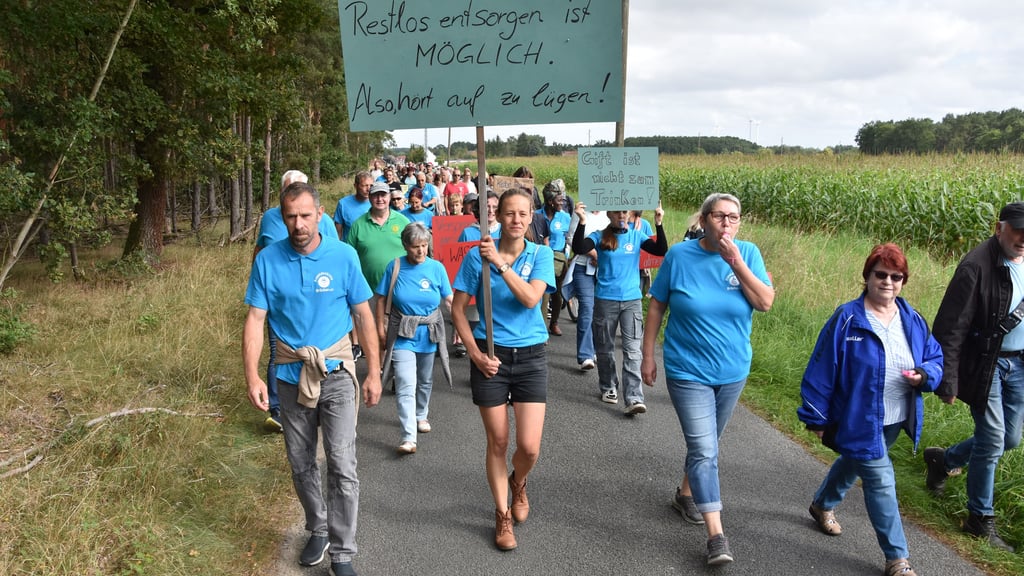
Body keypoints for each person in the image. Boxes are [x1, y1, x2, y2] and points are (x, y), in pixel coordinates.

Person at [243, 181, 382, 576]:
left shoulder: (343, 255)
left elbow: (363, 314)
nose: (299, 224)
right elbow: (255, 319)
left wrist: (372, 371)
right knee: (301, 462)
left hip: (336, 373)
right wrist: (252, 375)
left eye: (305, 215)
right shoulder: (268, 260)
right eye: (291, 216)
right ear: (281, 217)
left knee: (341, 462)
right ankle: (317, 526)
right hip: (288, 375)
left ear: (319, 214)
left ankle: (342, 553)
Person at [640, 192, 774, 566]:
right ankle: (716, 535)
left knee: (709, 442)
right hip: (687, 369)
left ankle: (686, 494)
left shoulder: (748, 253)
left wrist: (736, 264)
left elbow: (765, 301)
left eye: (734, 217)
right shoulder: (681, 256)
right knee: (704, 448)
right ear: (703, 219)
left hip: (732, 370)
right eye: (719, 216)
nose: (727, 223)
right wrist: (648, 355)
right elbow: (657, 304)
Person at [799, 243, 943, 576]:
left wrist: (923, 375)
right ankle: (897, 559)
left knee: (853, 460)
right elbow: (822, 367)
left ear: (903, 281)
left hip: (895, 416)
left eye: (897, 276)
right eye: (881, 275)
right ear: (868, 276)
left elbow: (935, 357)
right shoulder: (848, 318)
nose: (889, 282)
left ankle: (821, 505)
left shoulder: (912, 318)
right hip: (858, 416)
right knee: (881, 480)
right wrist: (816, 417)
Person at [451, 188, 556, 552]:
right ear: (497, 216)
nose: (515, 220)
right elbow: (458, 309)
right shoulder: (475, 258)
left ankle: (520, 482)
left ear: (531, 218)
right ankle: (502, 514)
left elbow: (530, 299)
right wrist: (475, 354)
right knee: (497, 441)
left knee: (528, 447)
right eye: (508, 213)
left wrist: (500, 263)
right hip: (490, 357)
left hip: (529, 357)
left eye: (522, 214)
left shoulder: (541, 254)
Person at [925, 201, 1024, 553]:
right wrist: (946, 379)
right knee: (994, 440)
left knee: (1009, 438)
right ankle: (980, 519)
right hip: (987, 365)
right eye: (1017, 230)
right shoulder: (975, 267)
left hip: (1020, 364)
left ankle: (944, 460)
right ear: (1000, 228)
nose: (1023, 238)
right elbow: (950, 327)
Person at [252, 170, 339, 432]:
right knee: (279, 350)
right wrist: (257, 281)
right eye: (289, 190)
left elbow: (333, 253)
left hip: (315, 292)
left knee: (313, 349)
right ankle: (277, 409)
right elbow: (259, 248)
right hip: (279, 293)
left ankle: (317, 399)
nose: (298, 221)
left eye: (300, 187)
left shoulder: (322, 220)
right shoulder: (270, 217)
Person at [574, 202, 666, 413]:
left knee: (633, 351)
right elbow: (580, 248)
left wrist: (658, 223)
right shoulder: (599, 236)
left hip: (632, 301)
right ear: (610, 214)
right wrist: (581, 221)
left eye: (625, 212)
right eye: (617, 212)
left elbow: (660, 250)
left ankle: (634, 397)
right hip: (606, 300)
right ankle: (608, 386)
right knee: (605, 349)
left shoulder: (636, 236)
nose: (622, 216)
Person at [376, 223, 453, 455]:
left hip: (428, 333)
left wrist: (460, 324)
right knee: (405, 382)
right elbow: (380, 299)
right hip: (402, 333)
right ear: (405, 246)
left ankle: (421, 414)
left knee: (425, 379)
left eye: (424, 246)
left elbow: (449, 299)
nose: (420, 251)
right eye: (415, 247)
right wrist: (381, 327)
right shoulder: (395, 266)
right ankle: (408, 436)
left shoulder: (437, 268)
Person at [347, 182, 410, 360]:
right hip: (369, 289)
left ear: (390, 197)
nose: (380, 199)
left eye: (383, 195)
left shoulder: (403, 222)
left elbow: (415, 251)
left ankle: (397, 367)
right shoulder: (358, 225)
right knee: (376, 331)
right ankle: (380, 367)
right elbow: (349, 258)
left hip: (399, 287)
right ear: (370, 198)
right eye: (375, 195)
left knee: (399, 329)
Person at [563, 207, 609, 371]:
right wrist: (594, 254)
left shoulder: (609, 214)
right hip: (583, 267)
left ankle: (595, 347)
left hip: (604, 270)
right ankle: (585, 354)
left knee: (601, 311)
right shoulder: (580, 213)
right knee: (587, 308)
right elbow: (571, 240)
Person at [537, 180, 572, 336]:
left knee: (557, 295)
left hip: (558, 261)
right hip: (540, 259)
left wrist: (567, 259)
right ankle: (541, 329)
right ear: (550, 201)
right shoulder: (536, 215)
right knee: (543, 295)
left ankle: (554, 322)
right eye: (559, 200)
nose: (562, 203)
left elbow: (570, 239)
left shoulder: (565, 217)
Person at [333, 171, 373, 241]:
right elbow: (337, 232)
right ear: (355, 186)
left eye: (371, 185)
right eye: (364, 185)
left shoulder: (377, 203)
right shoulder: (343, 204)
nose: (368, 189)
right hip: (350, 248)